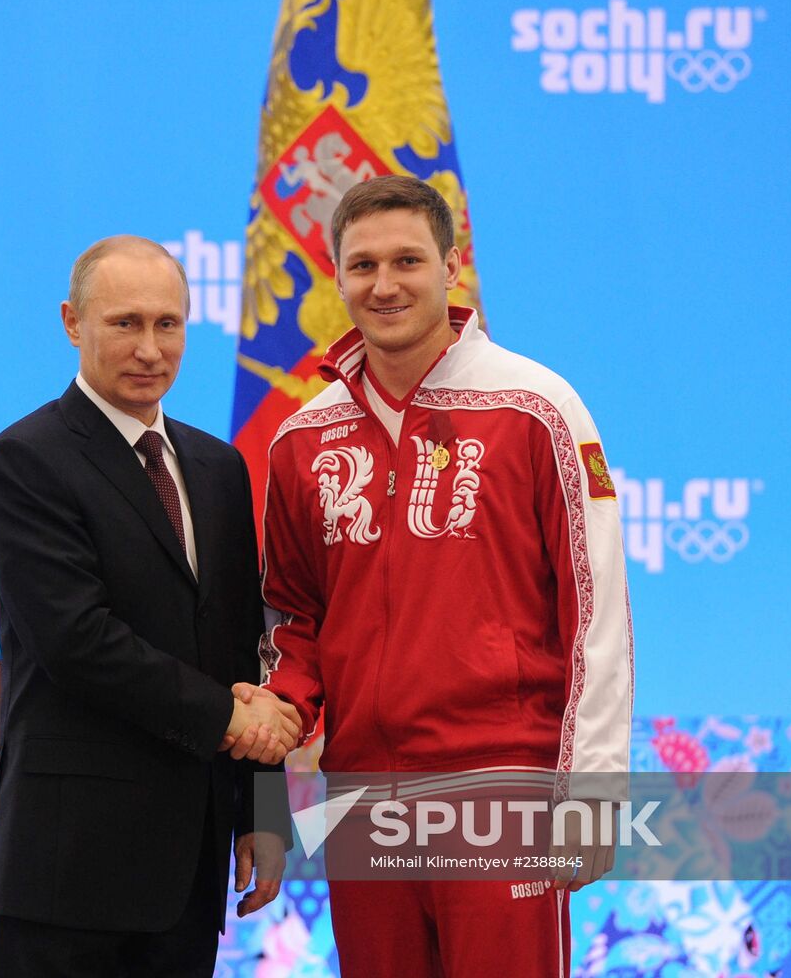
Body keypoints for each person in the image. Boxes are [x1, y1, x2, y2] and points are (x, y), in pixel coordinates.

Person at [259, 177, 634, 976]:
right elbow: (291, 621)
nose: (384, 284)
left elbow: (594, 608)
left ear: (452, 267)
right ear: (336, 275)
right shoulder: (301, 440)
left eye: (407, 261)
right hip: (361, 792)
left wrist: (593, 787)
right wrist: (277, 723)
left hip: (499, 782)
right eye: (362, 265)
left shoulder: (536, 407)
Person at [0, 235, 299, 977]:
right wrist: (230, 719)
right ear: (72, 322)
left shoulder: (219, 467)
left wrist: (262, 812)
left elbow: (244, 649)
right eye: (124, 323)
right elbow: (77, 641)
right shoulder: (24, 460)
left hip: (186, 868)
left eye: (168, 324)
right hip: (66, 871)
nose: (149, 348)